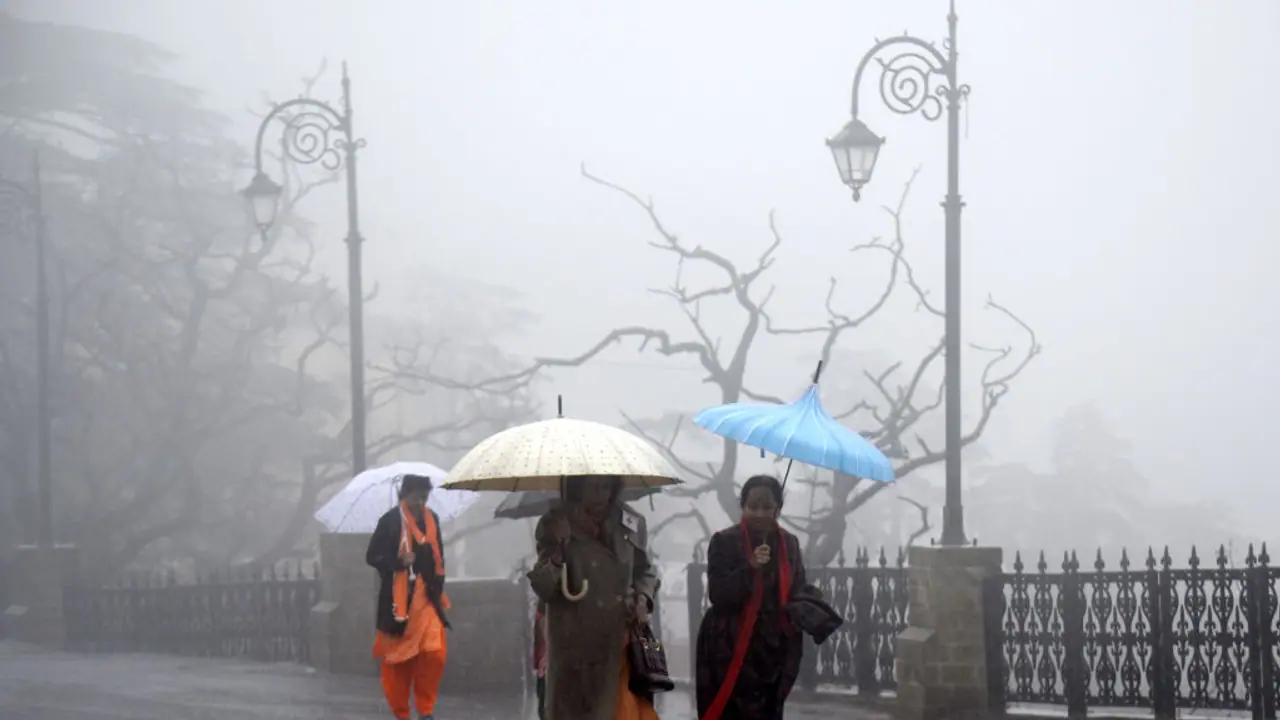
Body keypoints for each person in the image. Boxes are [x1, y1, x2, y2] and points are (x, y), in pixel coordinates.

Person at [526, 475, 662, 720]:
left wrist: (643, 597)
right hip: (574, 646)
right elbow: (544, 587)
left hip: (620, 640)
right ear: (578, 487)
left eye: (606, 487)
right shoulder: (555, 523)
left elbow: (645, 571)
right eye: (593, 487)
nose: (601, 495)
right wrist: (559, 548)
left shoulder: (630, 522)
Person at [695, 474, 806, 720]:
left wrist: (811, 605)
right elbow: (718, 593)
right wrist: (750, 567)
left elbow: (798, 589)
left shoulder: (789, 544)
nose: (759, 513)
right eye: (752, 506)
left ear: (778, 508)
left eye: (767, 507)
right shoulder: (724, 541)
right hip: (729, 646)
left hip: (773, 649)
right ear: (742, 506)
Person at [366, 473, 450, 720]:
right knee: (398, 662)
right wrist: (398, 562)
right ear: (406, 494)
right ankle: (401, 712)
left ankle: (426, 710)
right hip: (399, 603)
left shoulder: (431, 519)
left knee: (434, 654)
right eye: (417, 497)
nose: (421, 502)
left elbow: (439, 556)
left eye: (425, 497)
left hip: (426, 597)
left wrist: (438, 582)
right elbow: (372, 556)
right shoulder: (390, 521)